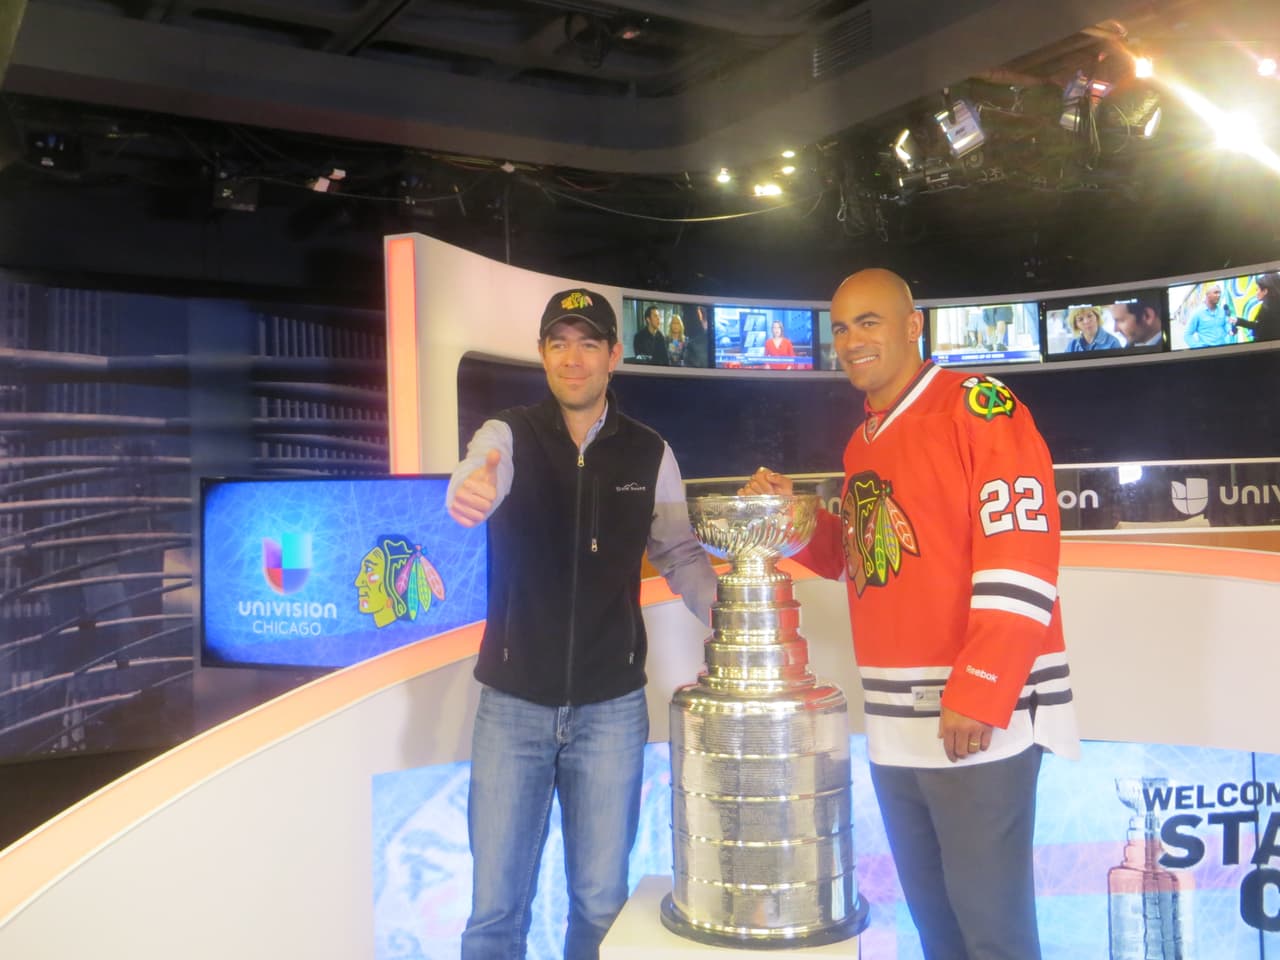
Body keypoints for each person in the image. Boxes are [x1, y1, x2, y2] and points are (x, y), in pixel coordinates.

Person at [742, 268, 1079, 960]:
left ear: (911, 325)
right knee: (939, 931)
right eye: (839, 328)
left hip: (976, 718)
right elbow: (860, 561)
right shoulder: (863, 440)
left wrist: (983, 685)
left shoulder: (979, 405)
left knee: (995, 934)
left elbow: (1024, 550)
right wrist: (796, 514)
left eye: (868, 321)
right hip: (896, 726)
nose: (851, 340)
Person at [447, 287, 716, 960]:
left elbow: (679, 552)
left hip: (612, 710)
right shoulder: (508, 433)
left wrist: (734, 622)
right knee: (494, 911)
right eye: (559, 343)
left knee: (601, 906)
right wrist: (470, 485)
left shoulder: (649, 452)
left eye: (588, 343)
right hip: (512, 705)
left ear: (614, 355)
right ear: (542, 354)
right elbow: (482, 468)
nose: (573, 359)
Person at [1234, 271, 1280, 343]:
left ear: (1265, 291)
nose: (1256, 293)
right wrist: (1238, 321)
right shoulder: (1271, 306)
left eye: (1257, 289)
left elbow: (1260, 328)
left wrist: (1239, 322)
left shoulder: (1267, 309)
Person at [1183, 283, 1233, 348]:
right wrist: (1198, 348)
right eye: (1216, 293)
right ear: (1207, 295)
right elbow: (1187, 335)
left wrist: (1229, 331)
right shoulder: (1197, 313)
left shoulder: (1222, 311)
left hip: (1223, 348)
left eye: (1220, 293)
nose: (1219, 295)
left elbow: (1225, 324)